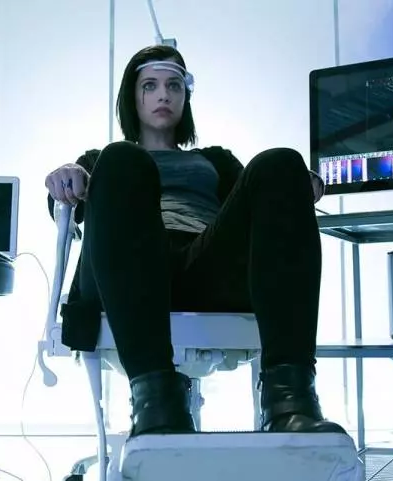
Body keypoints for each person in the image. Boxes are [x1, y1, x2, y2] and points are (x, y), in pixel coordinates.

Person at [44, 45, 346, 438]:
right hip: (126, 274)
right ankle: (157, 406)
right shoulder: (101, 159)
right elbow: (61, 205)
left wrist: (291, 183)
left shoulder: (215, 160)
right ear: (132, 96)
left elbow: (261, 201)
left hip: (203, 265)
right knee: (122, 159)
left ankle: (290, 401)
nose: (163, 94)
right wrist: (66, 178)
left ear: (186, 97)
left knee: (281, 161)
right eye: (150, 85)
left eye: (173, 85)